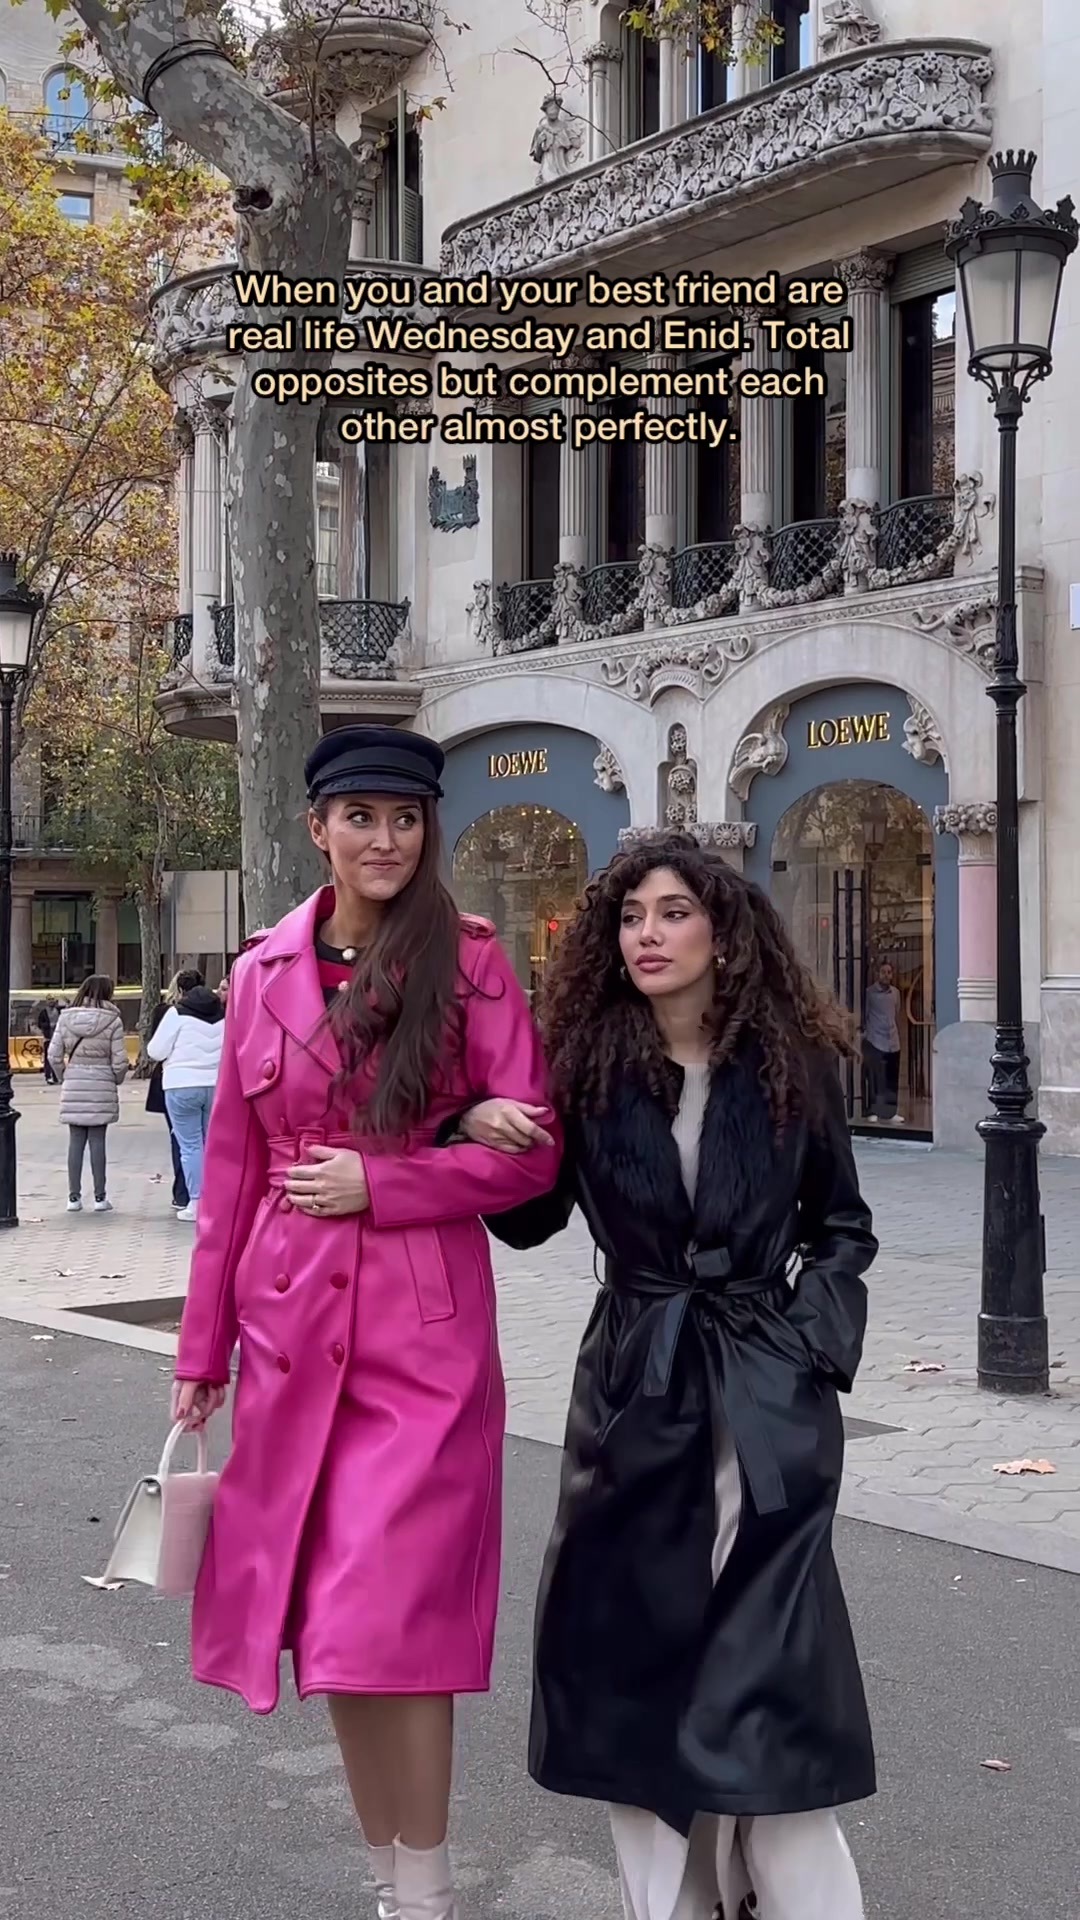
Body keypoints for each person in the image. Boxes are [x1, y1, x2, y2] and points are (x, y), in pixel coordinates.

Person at [170, 725, 561, 1920]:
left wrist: (389, 1178)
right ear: (318, 829)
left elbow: (534, 1155)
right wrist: (201, 1352)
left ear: (427, 828)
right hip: (289, 1320)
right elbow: (229, 1176)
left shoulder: (474, 962)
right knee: (331, 1623)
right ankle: (388, 1878)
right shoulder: (261, 973)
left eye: (405, 819)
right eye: (362, 818)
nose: (385, 839)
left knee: (401, 1619)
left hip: (423, 1333)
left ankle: (427, 1890)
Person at [455, 833, 879, 1920]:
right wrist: (478, 1128)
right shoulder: (587, 1068)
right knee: (641, 1670)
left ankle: (794, 1896)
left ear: (723, 933)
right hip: (635, 1392)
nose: (648, 934)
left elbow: (842, 1228)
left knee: (766, 1674)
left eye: (674, 912)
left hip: (767, 1400)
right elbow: (529, 1221)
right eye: (632, 916)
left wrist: (811, 1346)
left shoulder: (790, 1064)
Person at [147, 968, 226, 1223]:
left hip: (181, 1085)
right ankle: (215, 1200)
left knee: (190, 1146)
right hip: (215, 1085)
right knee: (210, 1143)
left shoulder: (176, 1013)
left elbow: (155, 1051)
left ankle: (196, 1202)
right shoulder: (224, 1015)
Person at [47, 976, 129, 1213]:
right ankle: (100, 1198)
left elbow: (53, 1055)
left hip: (74, 1080)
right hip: (101, 1083)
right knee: (98, 1141)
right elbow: (120, 1061)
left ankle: (73, 1198)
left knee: (75, 1142)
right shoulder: (113, 1021)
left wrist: (63, 1075)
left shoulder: (66, 1018)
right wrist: (115, 1078)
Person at [146, 974, 191, 1214]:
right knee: (199, 1139)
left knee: (180, 1138)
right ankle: (195, 1191)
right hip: (208, 1081)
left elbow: (156, 1049)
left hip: (172, 1081)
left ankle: (183, 1192)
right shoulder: (214, 1012)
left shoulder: (165, 1012)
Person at [862, 958, 903, 1125]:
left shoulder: (896, 993)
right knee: (875, 1080)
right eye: (883, 972)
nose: (886, 975)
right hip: (875, 1040)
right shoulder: (869, 993)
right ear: (877, 974)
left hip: (893, 1041)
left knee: (891, 1080)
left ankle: (890, 1113)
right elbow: (865, 1014)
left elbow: (896, 1012)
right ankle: (872, 1111)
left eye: (889, 972)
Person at [36, 1002, 58, 1084]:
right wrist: (47, 1026)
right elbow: (40, 1024)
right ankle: (49, 1076)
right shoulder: (44, 1012)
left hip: (56, 1038)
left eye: (52, 1000)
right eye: (49, 1000)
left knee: (55, 1058)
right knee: (48, 1058)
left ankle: (55, 1076)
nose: (51, 1002)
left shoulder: (58, 1011)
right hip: (48, 1038)